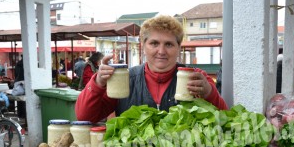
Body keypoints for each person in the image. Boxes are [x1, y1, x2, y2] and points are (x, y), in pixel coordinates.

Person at [75, 15, 228, 123]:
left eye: (168, 44)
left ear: (178, 48)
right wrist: (98, 83)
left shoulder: (196, 78)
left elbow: (225, 119)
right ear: (143, 46)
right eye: (154, 43)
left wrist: (209, 93)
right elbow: (85, 117)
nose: (161, 51)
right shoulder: (124, 80)